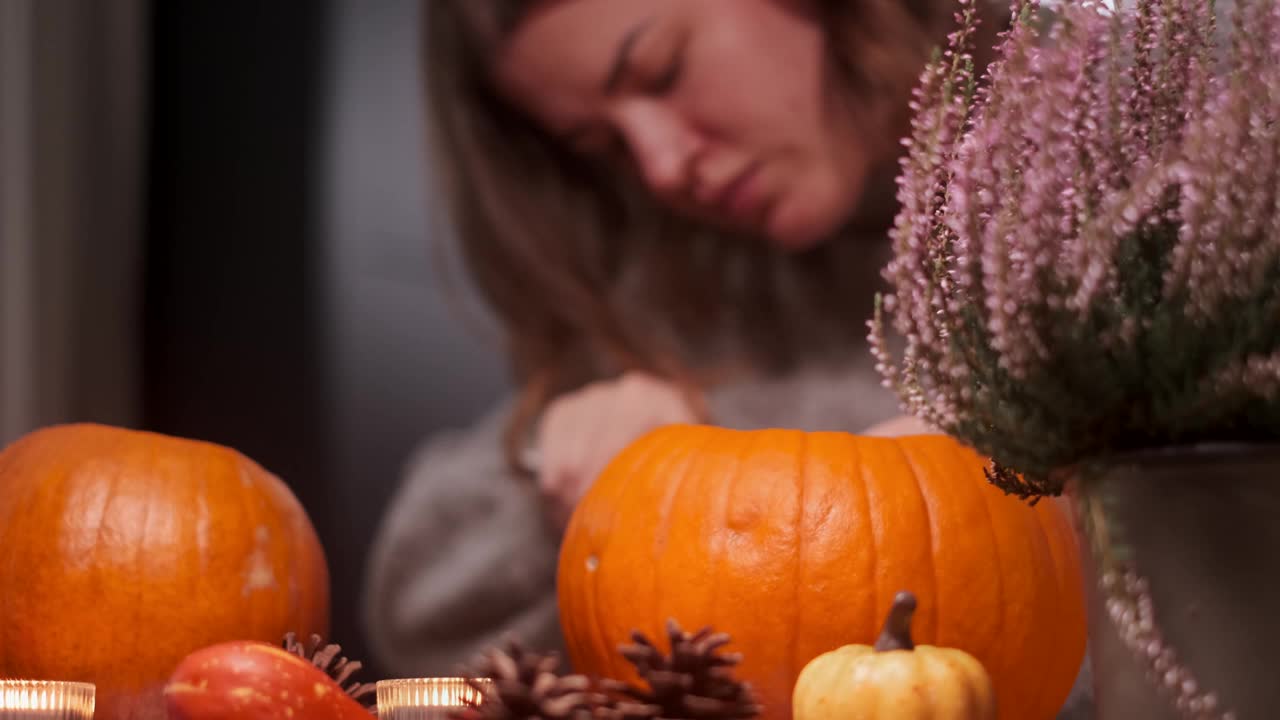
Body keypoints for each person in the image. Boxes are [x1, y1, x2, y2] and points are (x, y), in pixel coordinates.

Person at [366, 0, 1055, 694]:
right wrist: (581, 492)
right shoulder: (687, 291)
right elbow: (415, 610)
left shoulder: (1112, 172)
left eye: (661, 72)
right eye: (600, 145)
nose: (662, 167)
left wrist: (1045, 507)